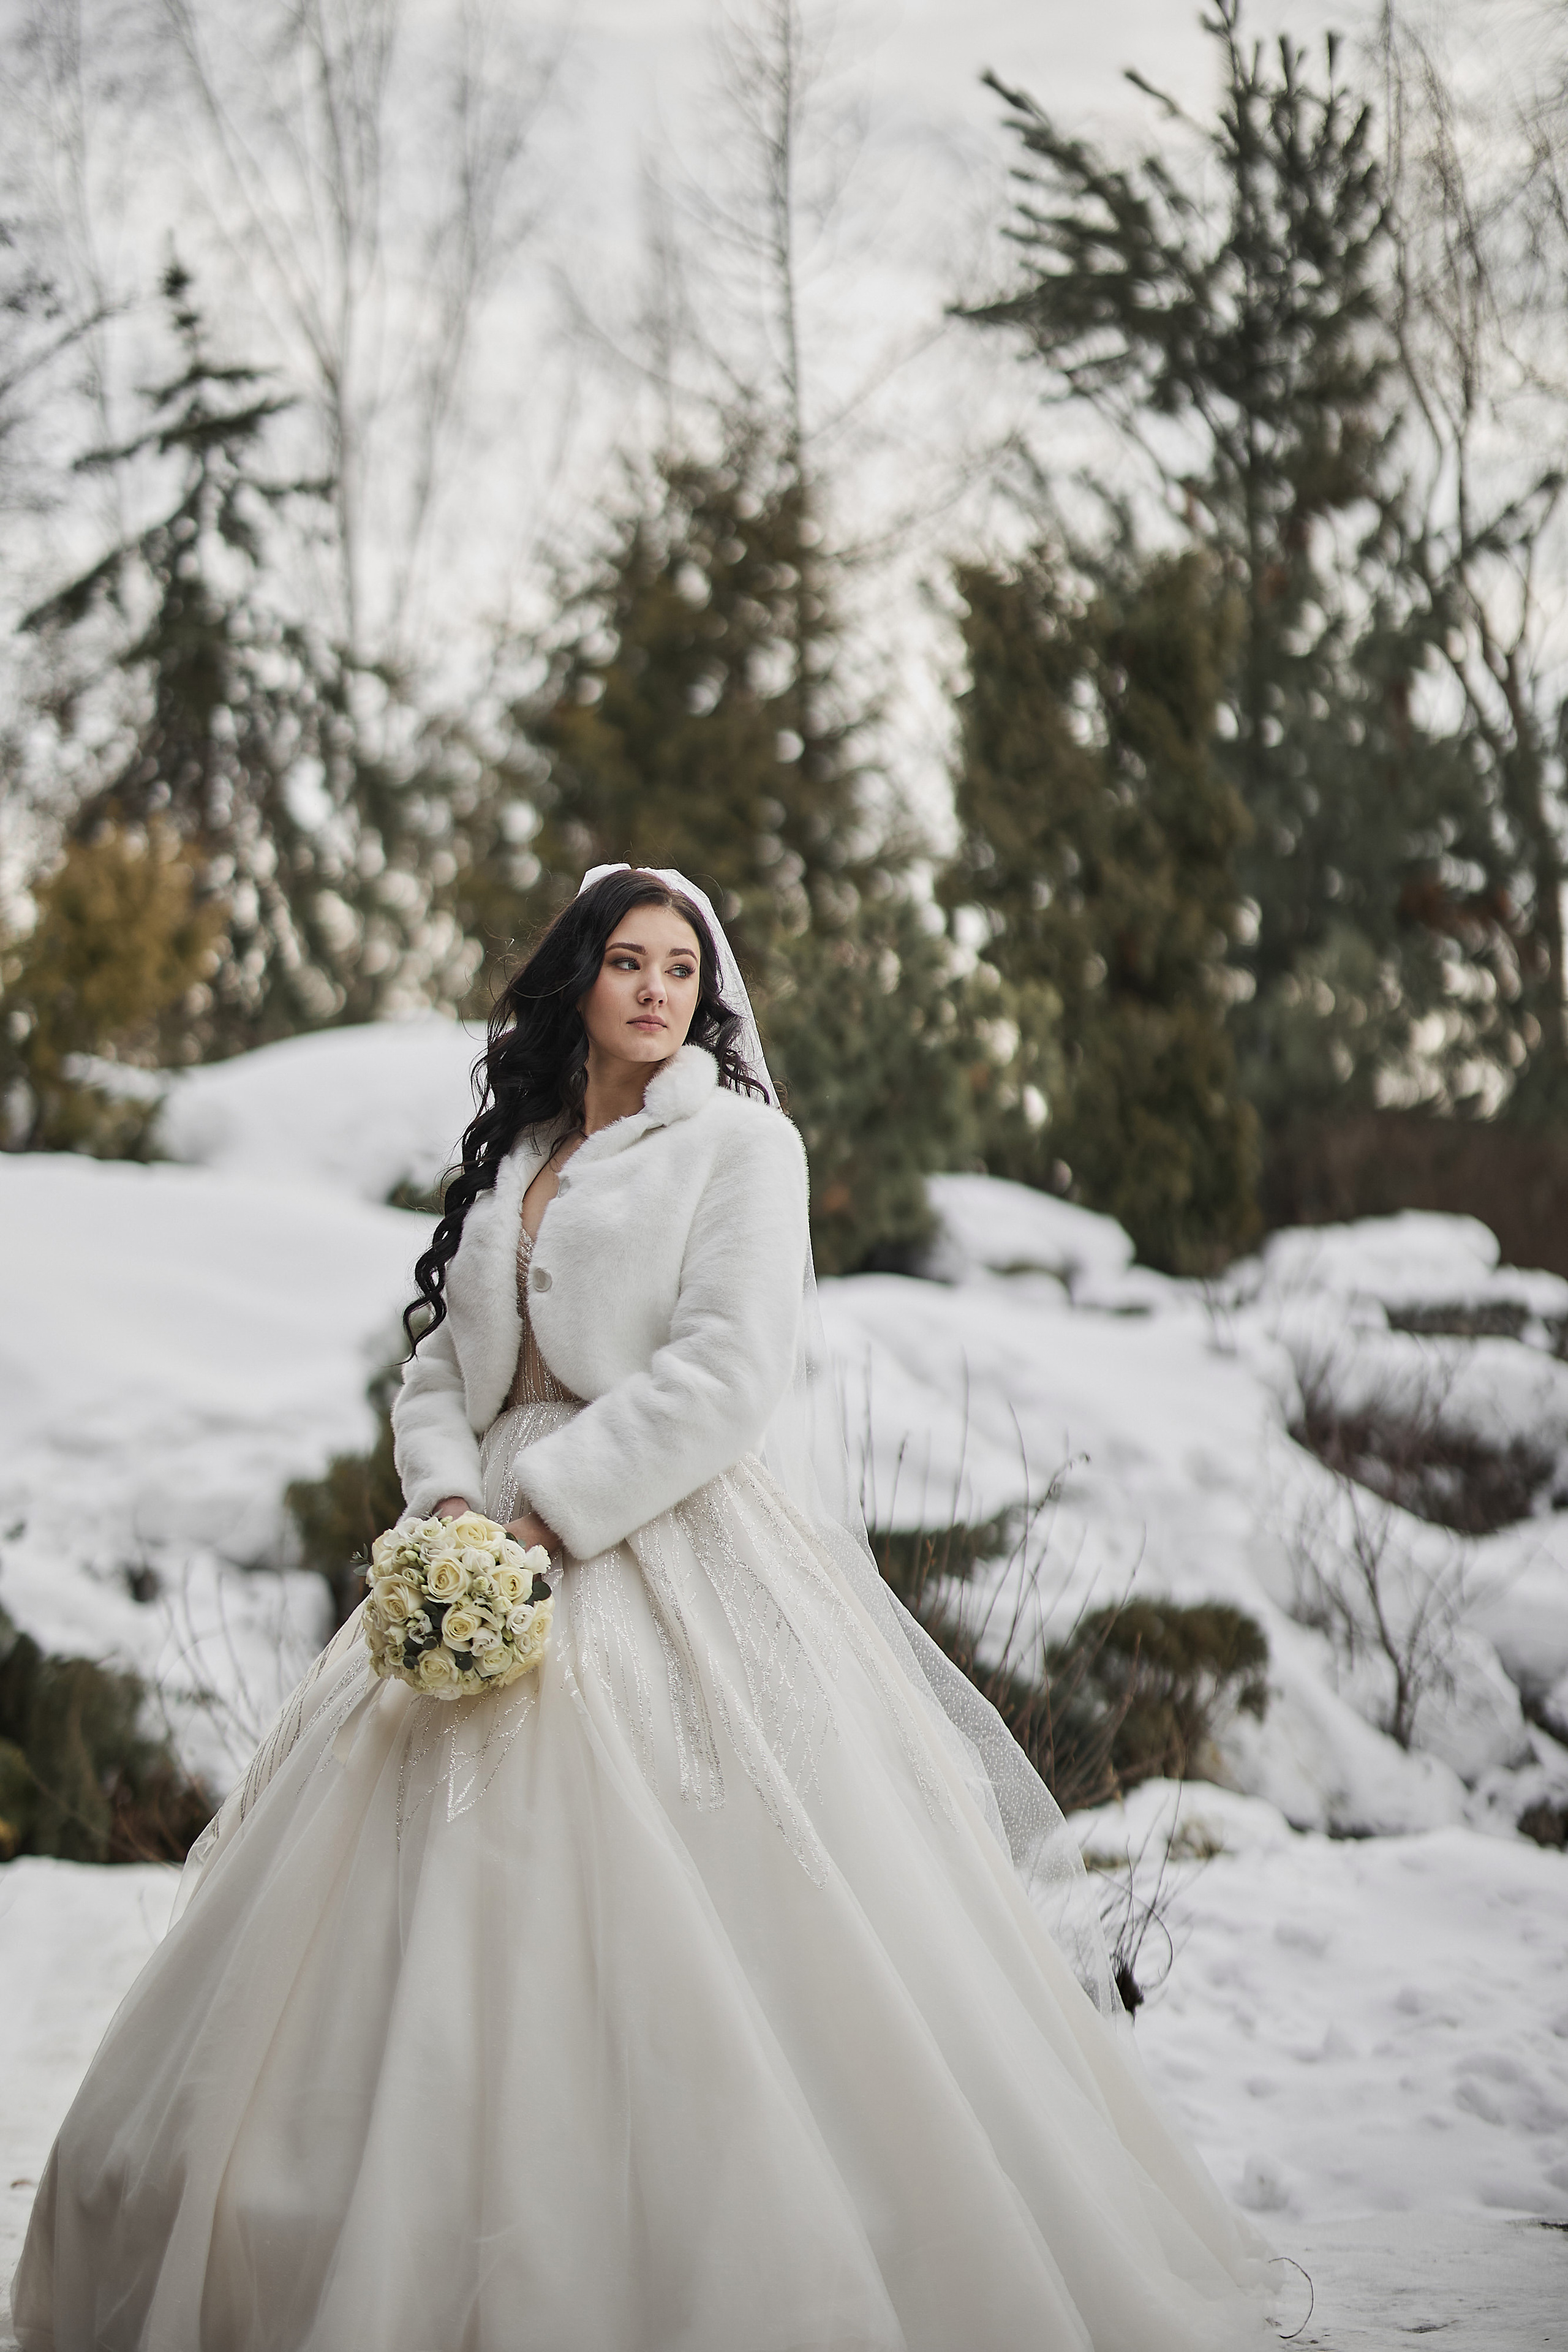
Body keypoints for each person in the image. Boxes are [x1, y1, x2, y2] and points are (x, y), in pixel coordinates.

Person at [12, 865, 1273, 2350]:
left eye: (683, 966)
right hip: (473, 1541)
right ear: (577, 985)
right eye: (627, 961)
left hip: (658, 1541)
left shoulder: (740, 1150)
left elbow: (728, 1373)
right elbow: (436, 1373)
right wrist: (450, 1509)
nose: (659, 989)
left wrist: (556, 1516)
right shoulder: (519, 1156)